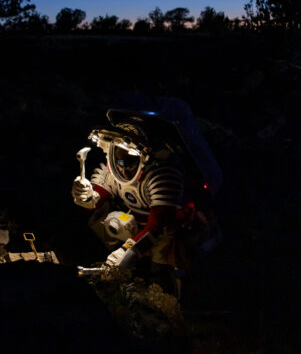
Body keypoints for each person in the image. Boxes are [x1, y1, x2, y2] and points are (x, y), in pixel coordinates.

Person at [71, 100, 222, 295]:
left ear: (144, 156)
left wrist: (129, 252)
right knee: (107, 223)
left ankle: (167, 291)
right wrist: (85, 195)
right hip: (139, 225)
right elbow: (95, 199)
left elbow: (157, 226)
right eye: (119, 157)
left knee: (162, 256)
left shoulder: (163, 175)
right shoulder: (111, 168)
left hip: (169, 231)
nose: (123, 166)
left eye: (130, 159)